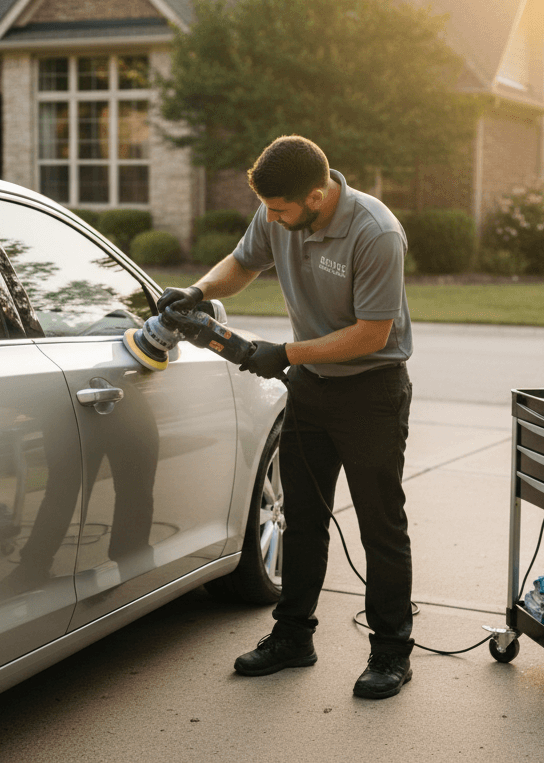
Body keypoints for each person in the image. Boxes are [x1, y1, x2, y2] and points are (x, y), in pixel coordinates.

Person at [157, 135, 415, 699]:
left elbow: (374, 334)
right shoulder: (279, 210)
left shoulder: (375, 232)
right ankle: (293, 636)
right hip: (311, 391)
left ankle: (392, 650)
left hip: (372, 392)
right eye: (268, 209)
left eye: (280, 210)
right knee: (301, 518)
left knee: (380, 525)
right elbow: (244, 262)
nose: (271, 218)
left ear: (318, 196)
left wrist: (287, 353)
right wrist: (197, 292)